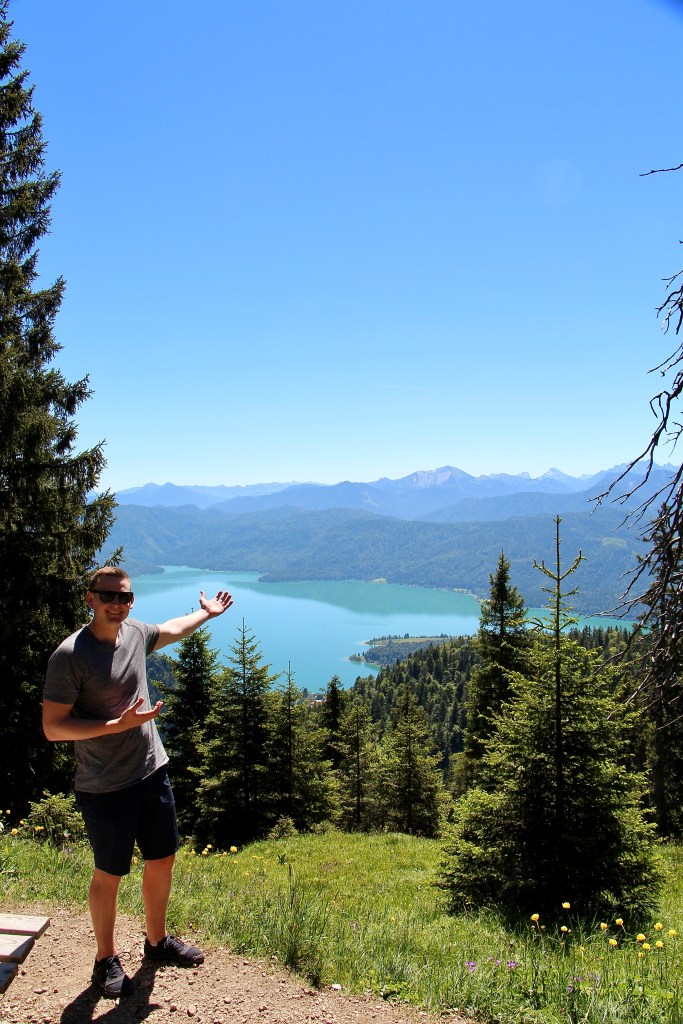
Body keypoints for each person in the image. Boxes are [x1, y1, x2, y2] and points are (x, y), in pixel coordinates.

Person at [42, 566, 233, 1000]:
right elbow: (53, 728)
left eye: (125, 597)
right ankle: (105, 958)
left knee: (161, 858)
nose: (118, 604)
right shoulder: (70, 655)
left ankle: (156, 941)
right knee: (109, 872)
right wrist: (117, 724)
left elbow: (169, 629)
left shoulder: (134, 633)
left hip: (152, 770)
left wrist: (205, 614)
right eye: (108, 596)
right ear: (89, 598)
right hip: (105, 784)